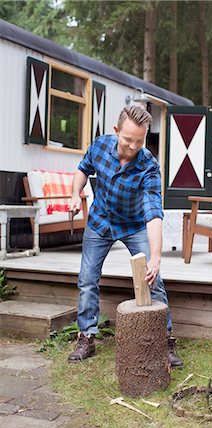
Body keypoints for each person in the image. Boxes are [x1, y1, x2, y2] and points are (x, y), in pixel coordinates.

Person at [68, 106, 183, 368]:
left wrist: (155, 259)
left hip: (134, 226)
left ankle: (164, 340)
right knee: (87, 279)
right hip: (100, 222)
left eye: (139, 141)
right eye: (127, 139)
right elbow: (82, 170)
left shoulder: (149, 167)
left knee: (154, 279)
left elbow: (153, 214)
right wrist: (75, 194)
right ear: (116, 131)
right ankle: (86, 337)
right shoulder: (99, 146)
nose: (132, 146)